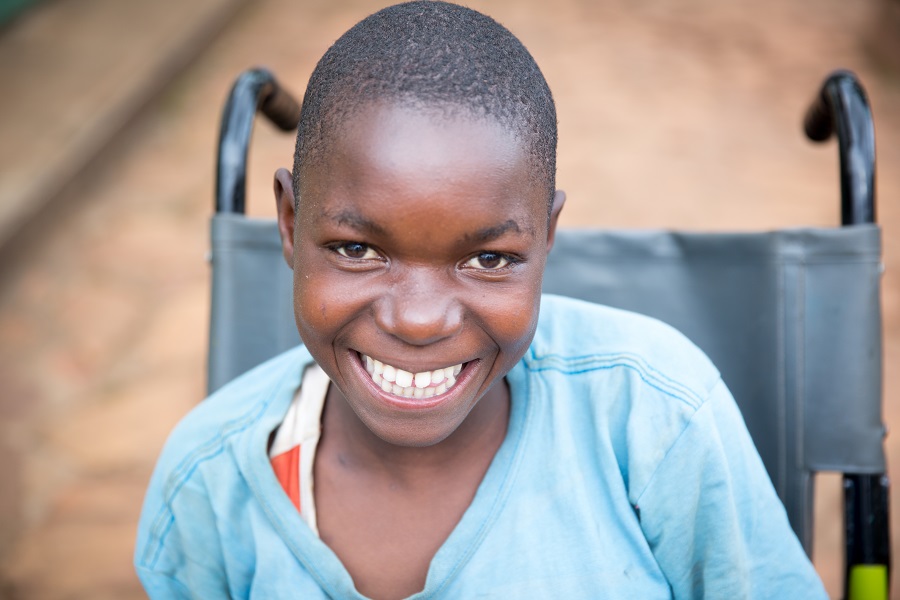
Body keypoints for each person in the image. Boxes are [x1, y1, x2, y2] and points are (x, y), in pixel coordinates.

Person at [134, 2, 828, 598]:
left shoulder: (655, 416)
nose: (417, 318)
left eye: (487, 259)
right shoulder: (207, 482)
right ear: (289, 223)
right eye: (357, 249)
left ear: (547, 237)